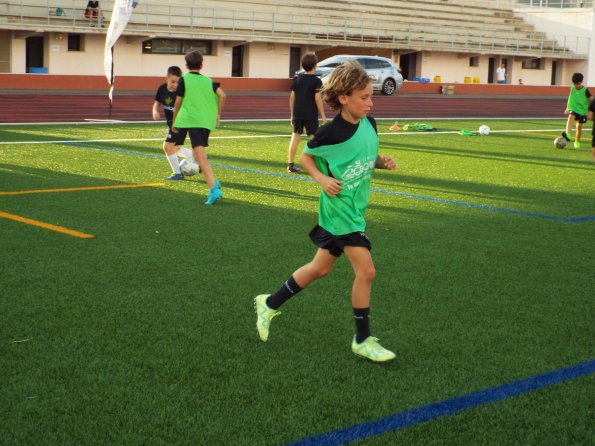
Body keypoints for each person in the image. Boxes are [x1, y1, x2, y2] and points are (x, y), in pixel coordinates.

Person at [254, 60, 398, 362]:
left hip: (355, 209)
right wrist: (321, 178)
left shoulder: (369, 124)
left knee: (320, 269)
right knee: (366, 271)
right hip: (340, 212)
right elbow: (307, 157)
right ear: (344, 98)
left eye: (371, 96)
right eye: (364, 97)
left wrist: (380, 161)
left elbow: (362, 156)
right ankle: (362, 338)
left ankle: (268, 303)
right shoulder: (330, 132)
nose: (370, 103)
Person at [172, 51, 226, 205]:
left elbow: (177, 102)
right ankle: (213, 181)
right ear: (201, 65)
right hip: (205, 121)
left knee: (200, 157)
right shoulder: (208, 81)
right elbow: (223, 95)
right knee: (197, 154)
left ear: (186, 66)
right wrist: (217, 114)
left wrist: (175, 120)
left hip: (191, 121)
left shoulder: (184, 80)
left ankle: (214, 189)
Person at [152, 66, 197, 180]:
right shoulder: (162, 89)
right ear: (167, 78)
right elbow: (157, 102)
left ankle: (177, 173)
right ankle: (194, 155)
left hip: (179, 123)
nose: (175, 85)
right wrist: (155, 111)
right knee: (175, 148)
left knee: (167, 147)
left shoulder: (181, 92)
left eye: (178, 82)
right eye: (173, 82)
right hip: (171, 124)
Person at [287, 53, 327, 173]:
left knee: (295, 137)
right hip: (310, 114)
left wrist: (292, 114)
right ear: (315, 66)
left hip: (298, 113)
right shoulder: (316, 81)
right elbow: (318, 99)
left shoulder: (297, 79)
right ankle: (316, 166)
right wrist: (323, 115)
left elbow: (292, 97)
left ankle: (290, 165)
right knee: (314, 138)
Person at [562, 72, 591, 149]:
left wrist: (590, 112)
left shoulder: (585, 90)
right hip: (575, 109)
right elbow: (570, 98)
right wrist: (567, 108)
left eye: (577, 84)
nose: (576, 86)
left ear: (581, 82)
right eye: (574, 84)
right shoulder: (572, 89)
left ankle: (577, 141)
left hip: (583, 111)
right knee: (571, 116)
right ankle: (568, 134)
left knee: (579, 126)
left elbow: (591, 99)